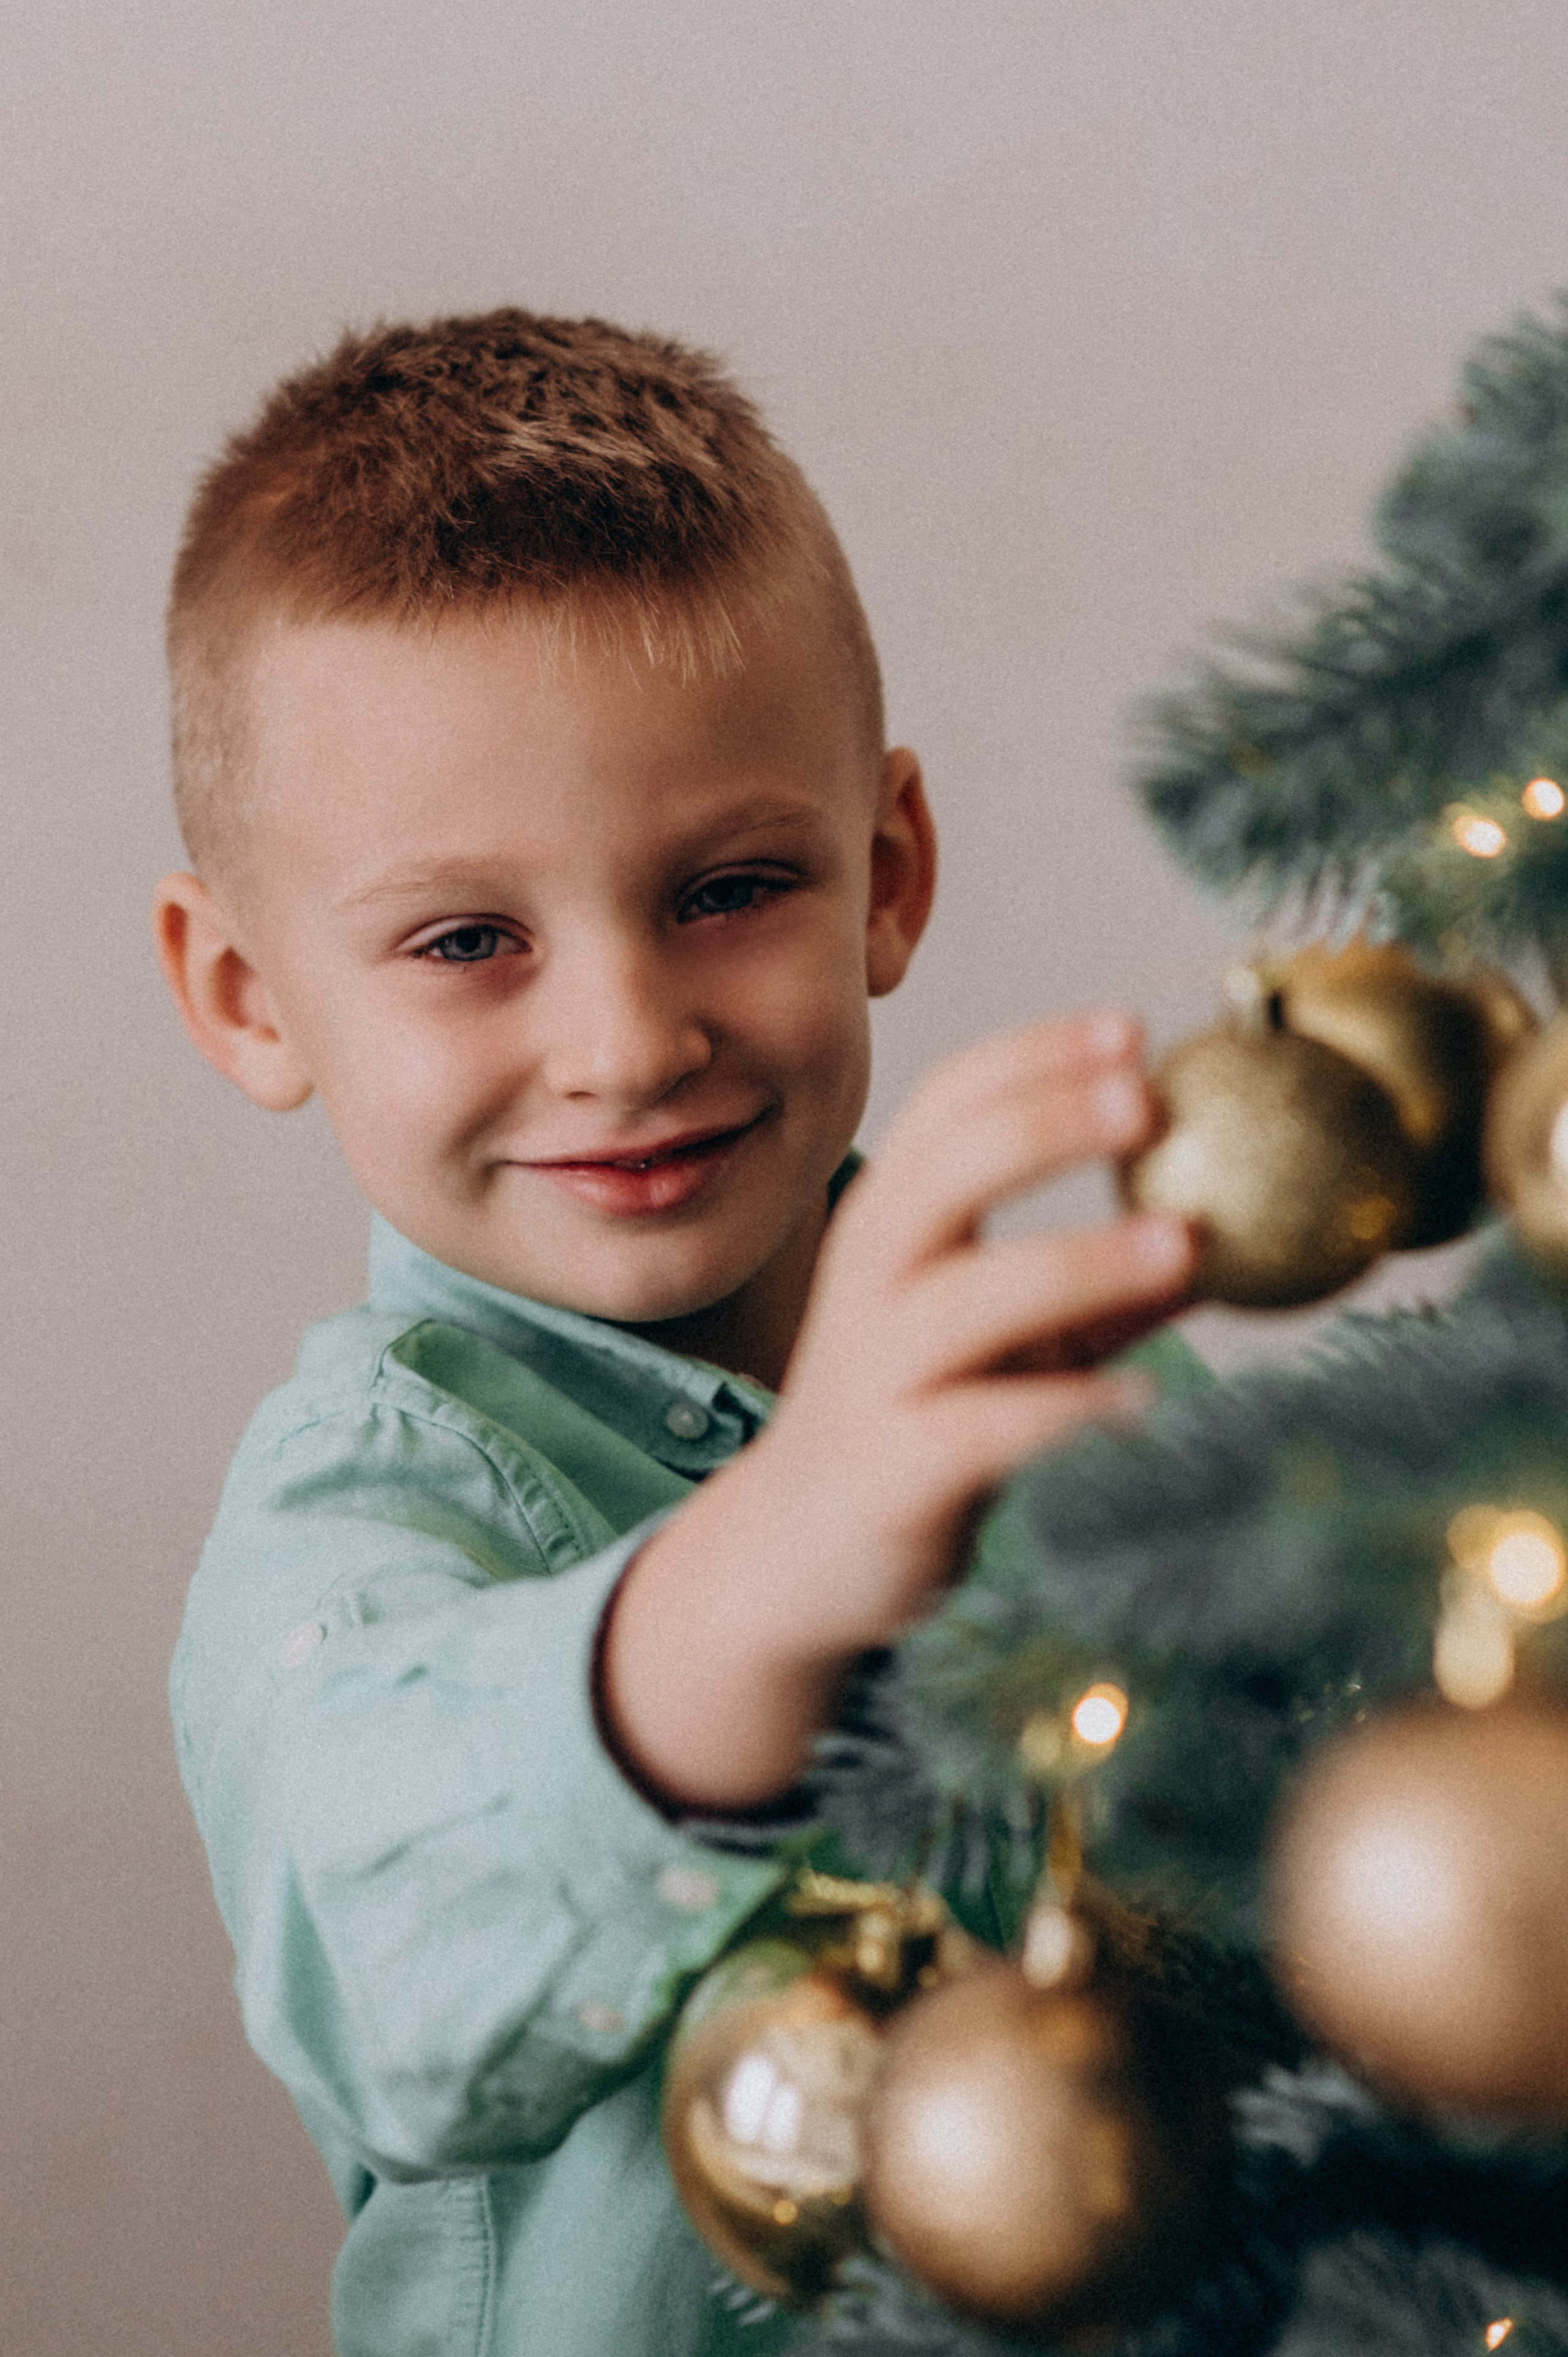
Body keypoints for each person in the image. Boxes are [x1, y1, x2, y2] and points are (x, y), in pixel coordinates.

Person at [153, 308, 1196, 2357]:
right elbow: (381, 1959)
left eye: (728, 888)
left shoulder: (1066, 1382)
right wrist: (772, 1562)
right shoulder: (354, 1515)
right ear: (251, 998)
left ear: (887, 875)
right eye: (469, 942)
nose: (627, 1043)